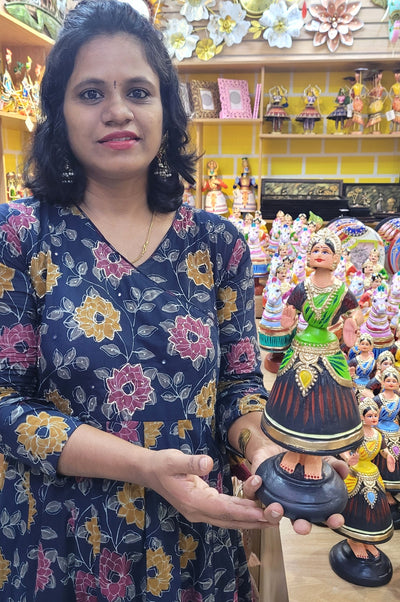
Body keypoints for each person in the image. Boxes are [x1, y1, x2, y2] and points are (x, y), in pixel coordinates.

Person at [0, 2, 345, 599]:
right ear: (57, 111)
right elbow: (7, 405)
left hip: (193, 542)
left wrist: (272, 453)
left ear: (167, 109)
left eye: (138, 91)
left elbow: (238, 389)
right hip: (61, 543)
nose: (117, 110)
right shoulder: (20, 236)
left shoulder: (218, 244)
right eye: (90, 93)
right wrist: (144, 467)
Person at [259, 229, 363, 521]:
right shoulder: (303, 286)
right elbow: (290, 309)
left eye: (325, 251)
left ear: (336, 259)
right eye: (315, 250)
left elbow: (355, 312)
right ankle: (293, 452)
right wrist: (288, 317)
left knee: (324, 406)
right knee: (294, 403)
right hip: (301, 347)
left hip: (328, 350)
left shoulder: (341, 291)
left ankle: (316, 456)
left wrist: (352, 323)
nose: (319, 254)